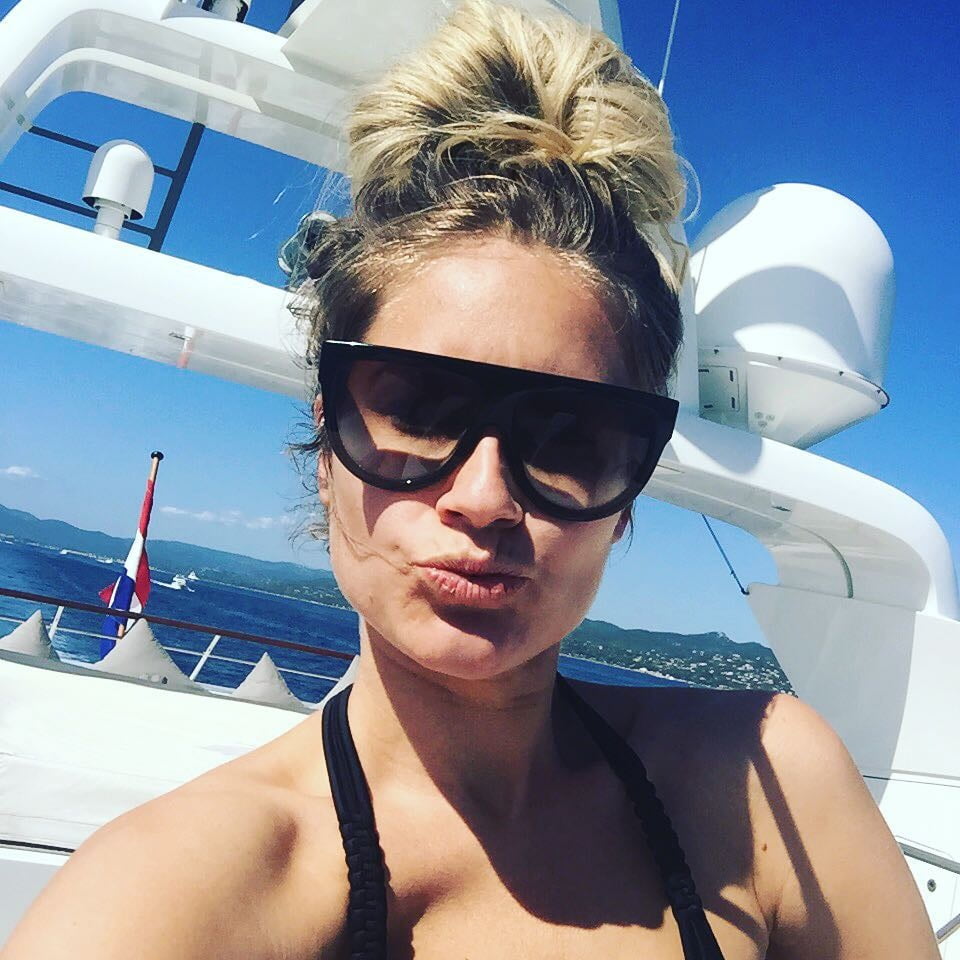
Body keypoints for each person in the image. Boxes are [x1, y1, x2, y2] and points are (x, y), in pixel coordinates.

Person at [1, 2, 938, 958]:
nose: (484, 499)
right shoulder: (174, 896)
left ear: (628, 494)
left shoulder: (771, 789)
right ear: (326, 444)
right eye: (417, 408)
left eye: (569, 439)